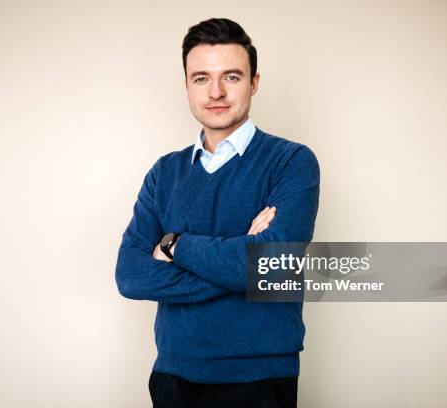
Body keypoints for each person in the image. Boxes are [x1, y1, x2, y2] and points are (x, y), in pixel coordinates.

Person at [115, 17, 320, 407]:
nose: (216, 92)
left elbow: (272, 266)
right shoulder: (165, 173)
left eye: (231, 77)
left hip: (260, 376)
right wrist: (242, 251)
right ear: (187, 86)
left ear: (254, 82)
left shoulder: (291, 161)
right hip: (174, 374)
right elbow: (130, 276)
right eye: (201, 78)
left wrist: (175, 245)